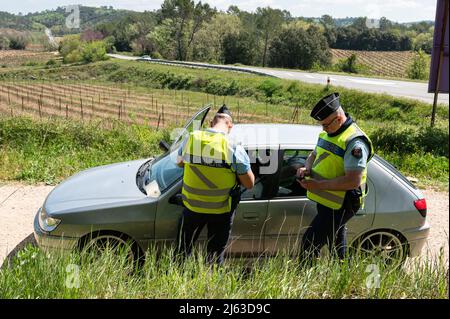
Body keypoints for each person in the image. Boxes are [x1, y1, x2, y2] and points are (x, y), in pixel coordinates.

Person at [297, 92, 374, 261]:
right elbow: (314, 154)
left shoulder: (355, 142)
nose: (323, 128)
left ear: (338, 118)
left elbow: (353, 181)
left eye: (325, 124)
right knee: (336, 242)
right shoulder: (327, 133)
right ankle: (341, 276)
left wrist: (318, 185)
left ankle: (305, 281)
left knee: (309, 243)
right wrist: (307, 168)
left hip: (343, 202)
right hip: (328, 199)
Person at [176, 105, 255, 265]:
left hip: (192, 207)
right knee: (214, 255)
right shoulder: (233, 147)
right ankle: (210, 285)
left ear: (211, 123)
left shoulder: (191, 138)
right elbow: (249, 183)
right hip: (221, 211)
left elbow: (179, 163)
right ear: (230, 125)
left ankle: (180, 281)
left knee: (182, 251)